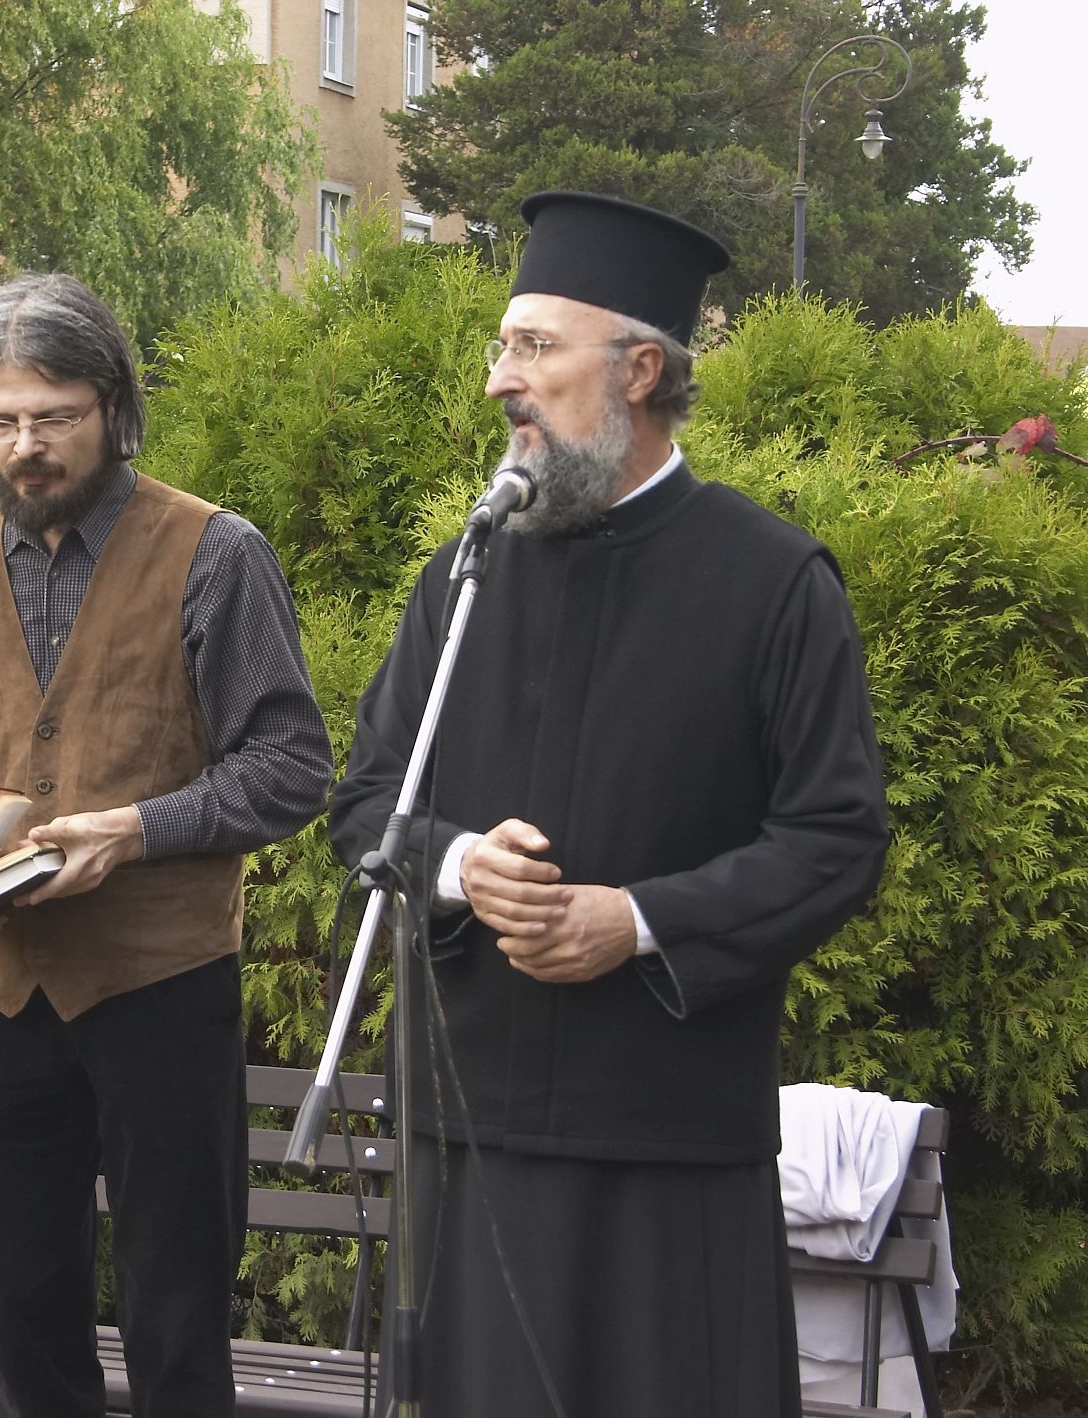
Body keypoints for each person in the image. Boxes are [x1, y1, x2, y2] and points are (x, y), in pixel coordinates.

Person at [330, 192, 889, 1417]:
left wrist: (632, 921)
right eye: (500, 346)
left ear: (638, 370)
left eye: (534, 346)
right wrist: (459, 864)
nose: (499, 379)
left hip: (664, 1145)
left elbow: (835, 838)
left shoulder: (772, 581)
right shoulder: (461, 575)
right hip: (471, 1136)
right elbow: (367, 799)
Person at [0, 273, 332, 1418]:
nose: (24, 447)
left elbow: (289, 764)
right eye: (0, 420)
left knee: (176, 1319)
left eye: (54, 417)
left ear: (114, 406)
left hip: (161, 988)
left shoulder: (214, 553)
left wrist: (133, 830)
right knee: (21, 1323)